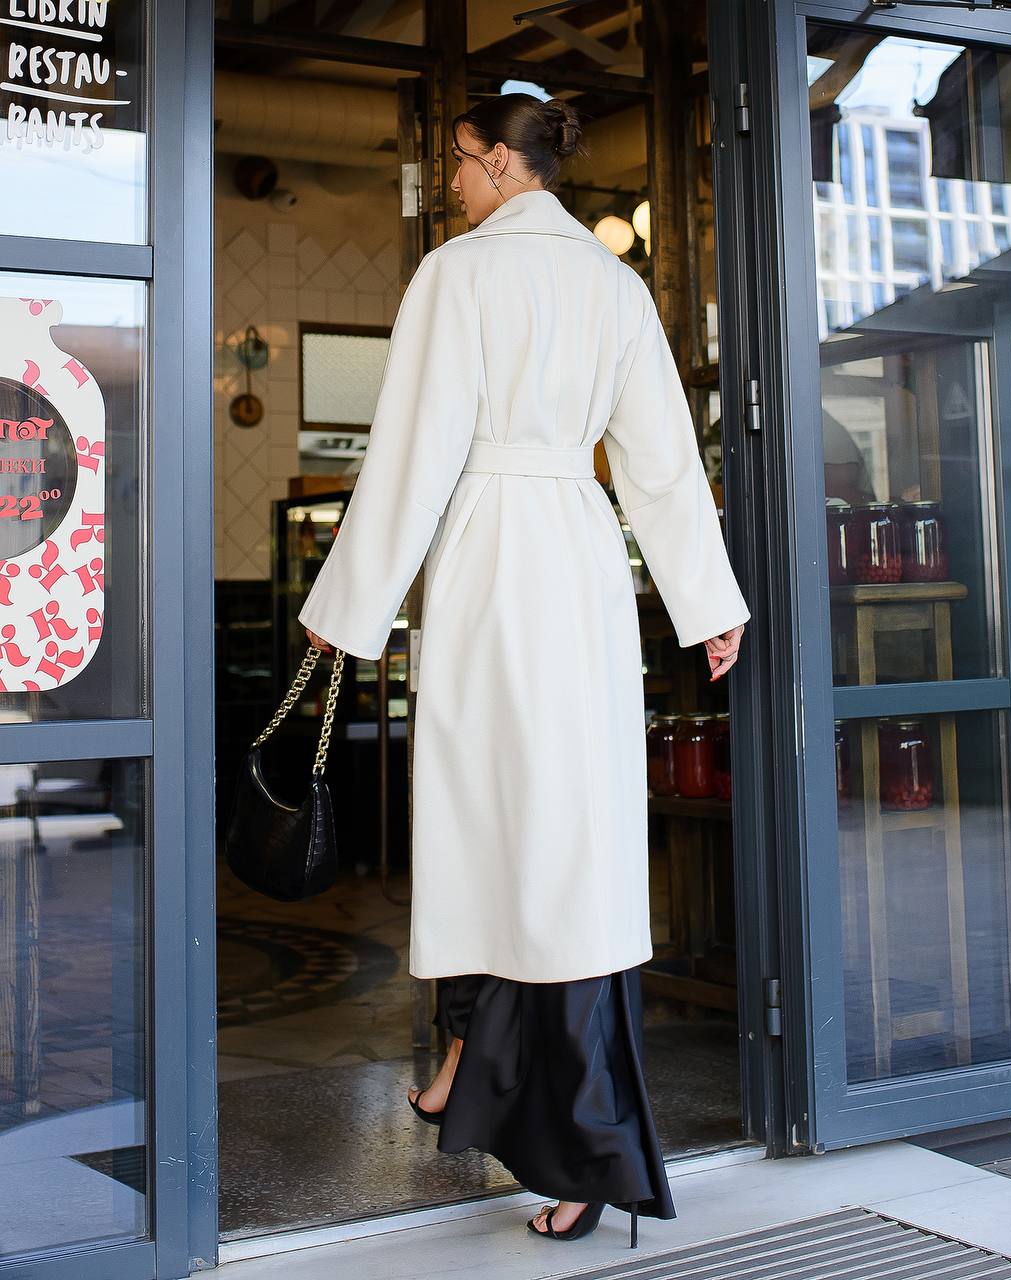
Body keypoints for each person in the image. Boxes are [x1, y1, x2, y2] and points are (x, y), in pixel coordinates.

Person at [299, 93, 748, 1248]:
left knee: (492, 827)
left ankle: (566, 1125)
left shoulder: (458, 276)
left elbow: (410, 451)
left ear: (502, 162)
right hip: (582, 558)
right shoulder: (615, 286)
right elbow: (660, 459)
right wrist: (706, 600)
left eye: (457, 161)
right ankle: (474, 1050)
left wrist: (346, 609)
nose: (450, 180)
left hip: (491, 557)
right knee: (561, 842)